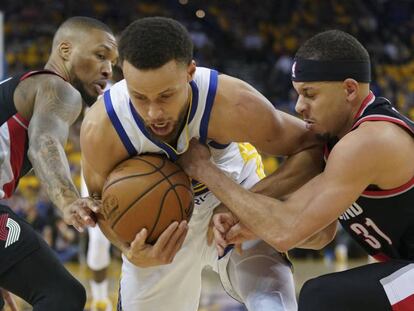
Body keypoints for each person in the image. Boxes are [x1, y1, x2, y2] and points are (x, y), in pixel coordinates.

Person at [81, 17, 322, 311]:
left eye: (166, 96)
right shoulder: (102, 128)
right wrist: (129, 249)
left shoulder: (232, 102)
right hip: (162, 228)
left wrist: (245, 201)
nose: (154, 112)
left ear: (189, 73)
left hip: (237, 191)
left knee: (272, 304)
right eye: (140, 97)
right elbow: (100, 204)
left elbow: (311, 147)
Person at [178, 29, 414, 311]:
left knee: (324, 297)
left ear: (349, 89)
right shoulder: (336, 141)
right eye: (298, 93)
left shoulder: (370, 141)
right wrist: (247, 221)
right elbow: (318, 235)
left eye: (309, 94)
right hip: (404, 266)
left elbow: (286, 229)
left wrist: (205, 169)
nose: (299, 106)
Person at [0, 16, 118, 310]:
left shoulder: (19, 87)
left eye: (113, 62)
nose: (108, 69)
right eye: (100, 55)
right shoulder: (58, 88)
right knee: (62, 294)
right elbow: (44, 144)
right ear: (65, 50)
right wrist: (68, 201)